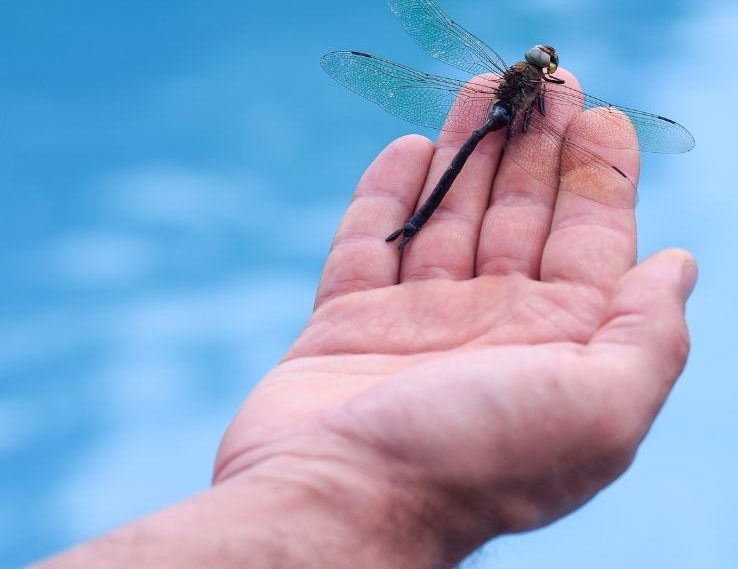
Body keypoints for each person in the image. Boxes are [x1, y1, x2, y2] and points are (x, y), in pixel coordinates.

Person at [39, 70, 697, 568]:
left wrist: (358, 490)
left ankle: (413, 226)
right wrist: (370, 490)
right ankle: (414, 226)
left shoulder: (510, 81)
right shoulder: (536, 91)